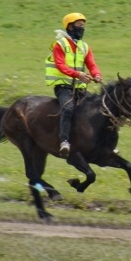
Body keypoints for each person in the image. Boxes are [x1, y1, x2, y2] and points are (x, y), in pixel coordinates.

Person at [45, 12, 102, 157]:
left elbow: (92, 64)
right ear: (70, 27)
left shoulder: (84, 46)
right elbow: (60, 65)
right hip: (64, 88)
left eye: (83, 26)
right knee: (68, 109)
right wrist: (79, 75)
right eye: (79, 25)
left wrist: (97, 75)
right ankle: (64, 141)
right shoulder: (60, 44)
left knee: (98, 108)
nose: (82, 28)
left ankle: (103, 142)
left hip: (80, 89)